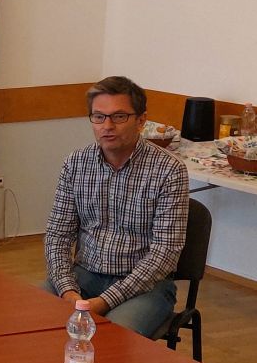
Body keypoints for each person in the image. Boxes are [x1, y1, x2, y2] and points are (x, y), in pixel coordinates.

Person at [44, 76, 188, 336]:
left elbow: (165, 253)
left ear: (141, 121)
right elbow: (57, 236)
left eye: (119, 117)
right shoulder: (75, 164)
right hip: (84, 276)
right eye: (99, 117)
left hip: (145, 285)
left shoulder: (169, 170)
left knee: (109, 339)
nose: (107, 126)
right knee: (32, 319)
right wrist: (67, 290)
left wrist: (104, 302)